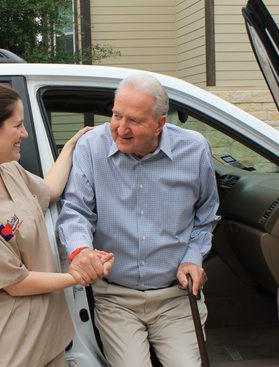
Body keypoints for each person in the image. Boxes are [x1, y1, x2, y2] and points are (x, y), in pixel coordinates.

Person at [0, 81, 113, 367]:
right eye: (18, 125)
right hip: (8, 347)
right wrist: (80, 275)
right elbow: (16, 283)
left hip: (45, 337)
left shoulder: (10, 172)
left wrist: (73, 146)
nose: (24, 134)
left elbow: (49, 191)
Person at [56, 74, 220, 366]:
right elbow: (76, 211)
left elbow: (206, 215)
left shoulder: (194, 150)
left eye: (134, 120)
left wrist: (193, 257)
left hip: (175, 297)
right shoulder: (91, 148)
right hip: (115, 298)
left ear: (160, 123)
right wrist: (82, 252)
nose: (121, 128)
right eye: (116, 115)